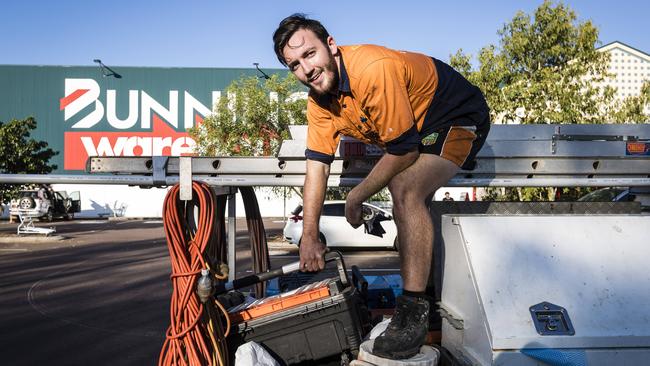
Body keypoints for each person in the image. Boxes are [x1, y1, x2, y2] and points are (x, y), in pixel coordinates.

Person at [273, 14, 490, 359]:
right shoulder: (318, 102)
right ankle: (423, 299)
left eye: (310, 54)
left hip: (454, 115)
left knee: (405, 189)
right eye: (295, 65)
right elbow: (316, 167)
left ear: (331, 45)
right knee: (407, 206)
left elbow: (403, 151)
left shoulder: (372, 68)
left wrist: (355, 197)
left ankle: (414, 314)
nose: (306, 69)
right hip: (418, 132)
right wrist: (310, 234)